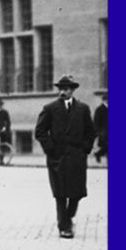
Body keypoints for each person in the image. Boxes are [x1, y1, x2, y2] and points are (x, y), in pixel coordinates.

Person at [34, 75, 96, 239]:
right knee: (60, 194)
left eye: (66, 89)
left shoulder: (83, 108)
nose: (62, 92)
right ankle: (64, 227)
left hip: (76, 158)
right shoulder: (50, 108)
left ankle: (68, 217)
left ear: (72, 90)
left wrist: (85, 149)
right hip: (57, 158)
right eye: (60, 89)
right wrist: (51, 149)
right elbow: (40, 131)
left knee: (76, 194)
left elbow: (91, 132)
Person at [93, 92, 107, 163]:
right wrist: (98, 132)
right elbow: (96, 121)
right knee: (107, 145)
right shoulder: (99, 109)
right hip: (103, 131)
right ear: (104, 100)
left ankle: (98, 154)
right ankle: (98, 154)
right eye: (106, 99)